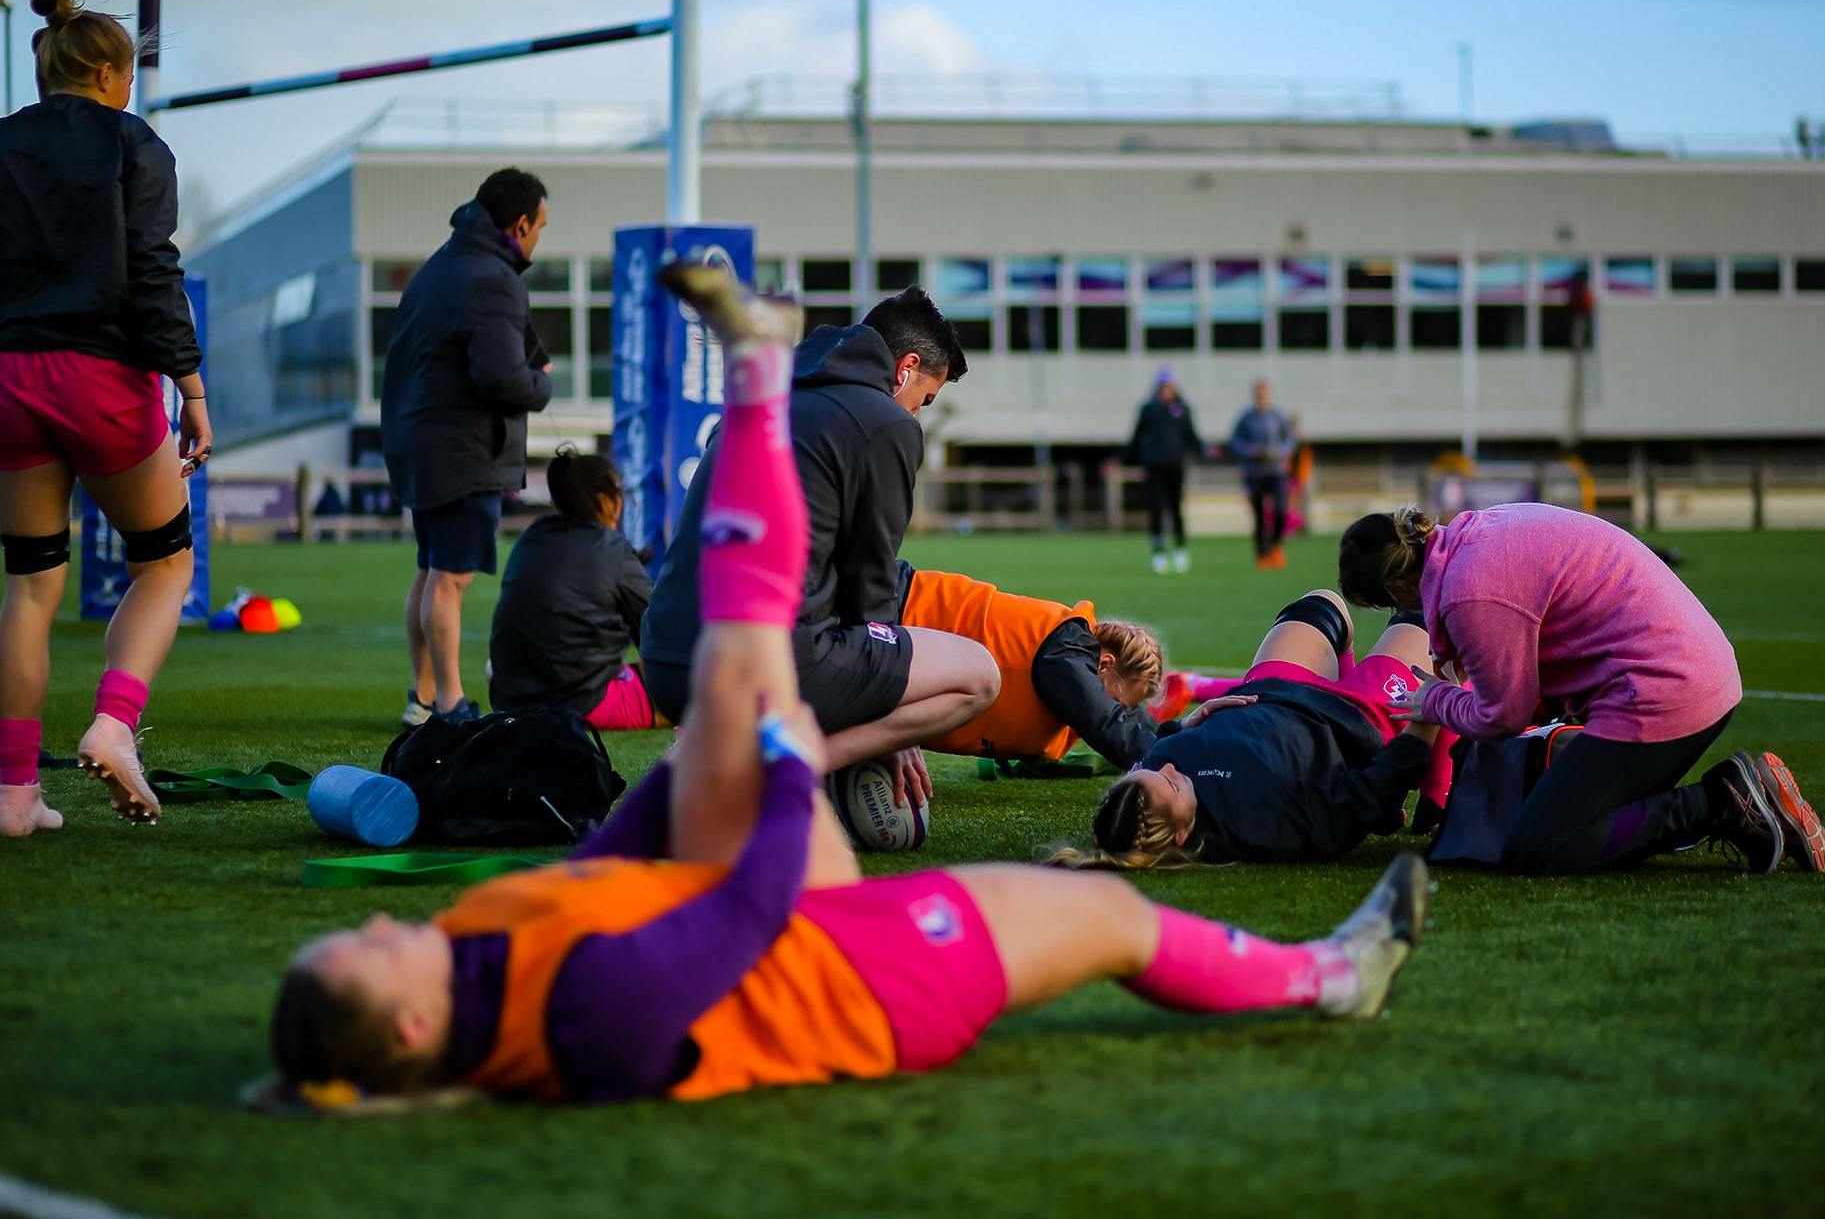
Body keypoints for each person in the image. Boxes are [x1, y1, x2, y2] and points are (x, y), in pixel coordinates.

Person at [263, 267, 1430, 1109]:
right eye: (362, 953)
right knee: (1116, 917)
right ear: (414, 1026)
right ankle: (1334, 976)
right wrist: (777, 752)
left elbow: (607, 867)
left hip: (790, 905)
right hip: (864, 988)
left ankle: (763, 381)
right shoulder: (585, 1017)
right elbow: (757, 898)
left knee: (743, 669)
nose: (371, 920)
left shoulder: (471, 938)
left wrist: (701, 762)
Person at [642, 287, 998, 808]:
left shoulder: (756, 401)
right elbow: (871, 586)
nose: (919, 413)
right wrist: (889, 717)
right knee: (979, 676)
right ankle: (786, 768)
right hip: (764, 667)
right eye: (927, 397)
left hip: (669, 666)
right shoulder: (888, 422)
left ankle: (718, 751)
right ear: (907, 367)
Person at [1337, 503, 1825, 877]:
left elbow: (1503, 717)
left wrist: (1431, 701)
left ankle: (1723, 801)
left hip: (1661, 690)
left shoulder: (1469, 590)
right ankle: (1730, 810)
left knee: (1540, 847)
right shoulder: (1479, 532)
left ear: (1398, 588)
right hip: (1691, 672)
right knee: (1576, 807)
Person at [0, 0, 212, 834]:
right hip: (102, 377)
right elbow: (154, 275)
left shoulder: (5, 142)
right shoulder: (135, 143)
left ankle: (15, 794)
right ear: (112, 74)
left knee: (30, 588)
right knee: (165, 563)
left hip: (11, 377)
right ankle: (115, 723)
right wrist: (191, 391)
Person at [1053, 589, 1455, 869]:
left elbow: (1165, 749)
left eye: (1152, 770)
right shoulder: (1267, 826)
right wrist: (1426, 713)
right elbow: (1367, 797)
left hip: (1273, 690)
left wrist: (1184, 726)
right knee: (1426, 615)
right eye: (1172, 785)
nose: (1171, 769)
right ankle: (1438, 801)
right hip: (1355, 722)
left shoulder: (1154, 778)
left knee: (1321, 605)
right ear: (1181, 836)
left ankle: (1340, 676)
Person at [381, 167, 555, 728]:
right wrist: (543, 384)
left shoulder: (442, 265)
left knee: (431, 569)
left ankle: (424, 697)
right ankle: (451, 703)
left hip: (420, 439)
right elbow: (501, 378)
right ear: (521, 223)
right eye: (540, 228)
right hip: (460, 447)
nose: (537, 240)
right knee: (450, 577)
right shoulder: (494, 278)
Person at [898, 563, 1163, 769]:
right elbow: (1105, 721)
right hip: (889, 609)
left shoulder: (1069, 647)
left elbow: (1128, 720)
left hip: (894, 628)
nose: (1118, 711)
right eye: (1117, 701)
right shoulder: (1068, 651)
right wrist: (1176, 764)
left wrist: (1184, 735)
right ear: (1104, 663)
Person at [486, 448, 655, 729]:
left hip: (510, 697)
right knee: (686, 679)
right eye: (619, 492)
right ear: (603, 500)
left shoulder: (533, 535)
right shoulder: (610, 548)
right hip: (580, 703)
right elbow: (657, 632)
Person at [1116, 368, 1205, 575]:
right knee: (1155, 509)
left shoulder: (1182, 409)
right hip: (1154, 466)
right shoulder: (1149, 410)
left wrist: (1206, 449)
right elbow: (1135, 439)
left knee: (1176, 508)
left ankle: (1181, 549)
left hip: (1175, 465)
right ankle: (1158, 552)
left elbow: (1191, 436)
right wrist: (1117, 459)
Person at [1228, 380, 1296, 570]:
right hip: (1254, 472)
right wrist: (1249, 451)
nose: (1262, 397)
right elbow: (1235, 442)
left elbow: (1290, 442)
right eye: (1259, 394)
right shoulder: (1246, 418)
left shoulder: (1278, 416)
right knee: (1258, 514)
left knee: (1280, 511)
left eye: (1265, 393)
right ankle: (1262, 554)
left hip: (1276, 471)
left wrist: (1277, 452)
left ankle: (1275, 545)